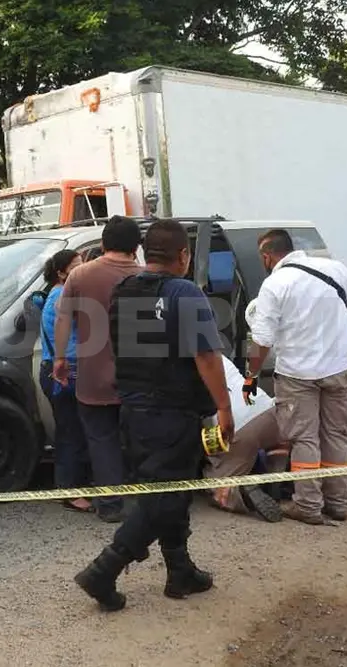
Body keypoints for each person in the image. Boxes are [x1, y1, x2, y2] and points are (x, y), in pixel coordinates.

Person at [74, 219, 233, 611]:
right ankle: (104, 569)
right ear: (184, 255)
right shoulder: (186, 292)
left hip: (134, 412)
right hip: (171, 414)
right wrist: (225, 408)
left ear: (147, 254)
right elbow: (206, 356)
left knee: (171, 493)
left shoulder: (125, 292)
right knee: (164, 499)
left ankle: (180, 570)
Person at [244, 229, 347, 525]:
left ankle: (309, 506)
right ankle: (338, 502)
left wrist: (251, 376)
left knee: (304, 438)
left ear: (267, 256)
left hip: (297, 374)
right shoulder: (335, 268)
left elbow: (261, 340)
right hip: (340, 367)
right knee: (337, 434)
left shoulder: (274, 283)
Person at [53, 216, 141, 522]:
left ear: (103, 243)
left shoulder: (80, 276)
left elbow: (63, 318)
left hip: (92, 377)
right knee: (138, 438)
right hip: (139, 378)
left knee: (102, 440)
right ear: (136, 246)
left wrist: (60, 359)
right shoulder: (146, 277)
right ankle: (146, 503)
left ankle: (111, 504)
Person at [38, 249, 92, 513]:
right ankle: (72, 491)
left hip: (57, 370)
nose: (81, 270)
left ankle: (70, 486)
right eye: (76, 266)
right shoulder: (63, 297)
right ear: (61, 273)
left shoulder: (56, 294)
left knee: (70, 430)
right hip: (65, 372)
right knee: (73, 432)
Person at [203, 355, 285, 523]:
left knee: (213, 483)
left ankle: (238, 489)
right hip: (269, 411)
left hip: (237, 426)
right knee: (269, 441)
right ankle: (276, 475)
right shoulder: (214, 352)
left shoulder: (178, 364)